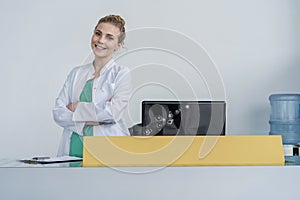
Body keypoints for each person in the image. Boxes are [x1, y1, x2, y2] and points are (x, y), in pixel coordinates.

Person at [53, 15, 132, 157]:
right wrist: (96, 118)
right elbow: (58, 113)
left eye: (110, 37)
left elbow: (113, 113)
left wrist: (76, 107)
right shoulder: (76, 73)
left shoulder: (121, 73)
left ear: (118, 45)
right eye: (98, 33)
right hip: (73, 147)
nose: (101, 40)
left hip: (108, 150)